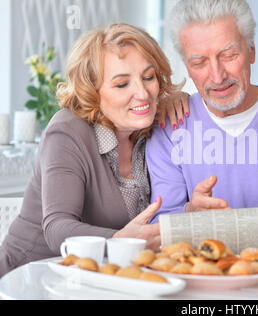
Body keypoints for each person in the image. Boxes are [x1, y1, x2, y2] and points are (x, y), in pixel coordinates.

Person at [0, 23, 185, 277]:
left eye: (148, 77)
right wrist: (119, 238)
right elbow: (57, 228)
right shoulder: (67, 132)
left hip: (100, 279)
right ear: (92, 93)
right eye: (122, 84)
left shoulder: (150, 127)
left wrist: (183, 101)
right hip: (31, 276)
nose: (142, 93)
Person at [146, 0, 258, 253]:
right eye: (199, 62)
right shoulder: (168, 127)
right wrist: (190, 214)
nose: (218, 76)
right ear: (187, 67)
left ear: (251, 51)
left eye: (229, 55)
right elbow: (159, 224)